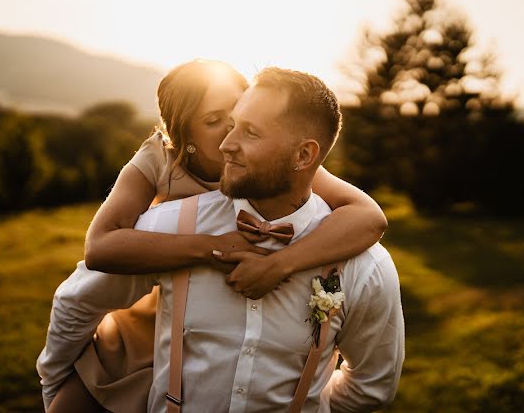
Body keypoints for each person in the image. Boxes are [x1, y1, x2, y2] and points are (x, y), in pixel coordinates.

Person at [37, 67, 404, 412]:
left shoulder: (299, 178)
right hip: (140, 326)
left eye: (245, 124)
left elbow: (369, 217)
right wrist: (206, 249)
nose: (229, 139)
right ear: (185, 138)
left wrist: (278, 264)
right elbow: (98, 253)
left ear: (303, 154)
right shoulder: (159, 175)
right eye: (218, 123)